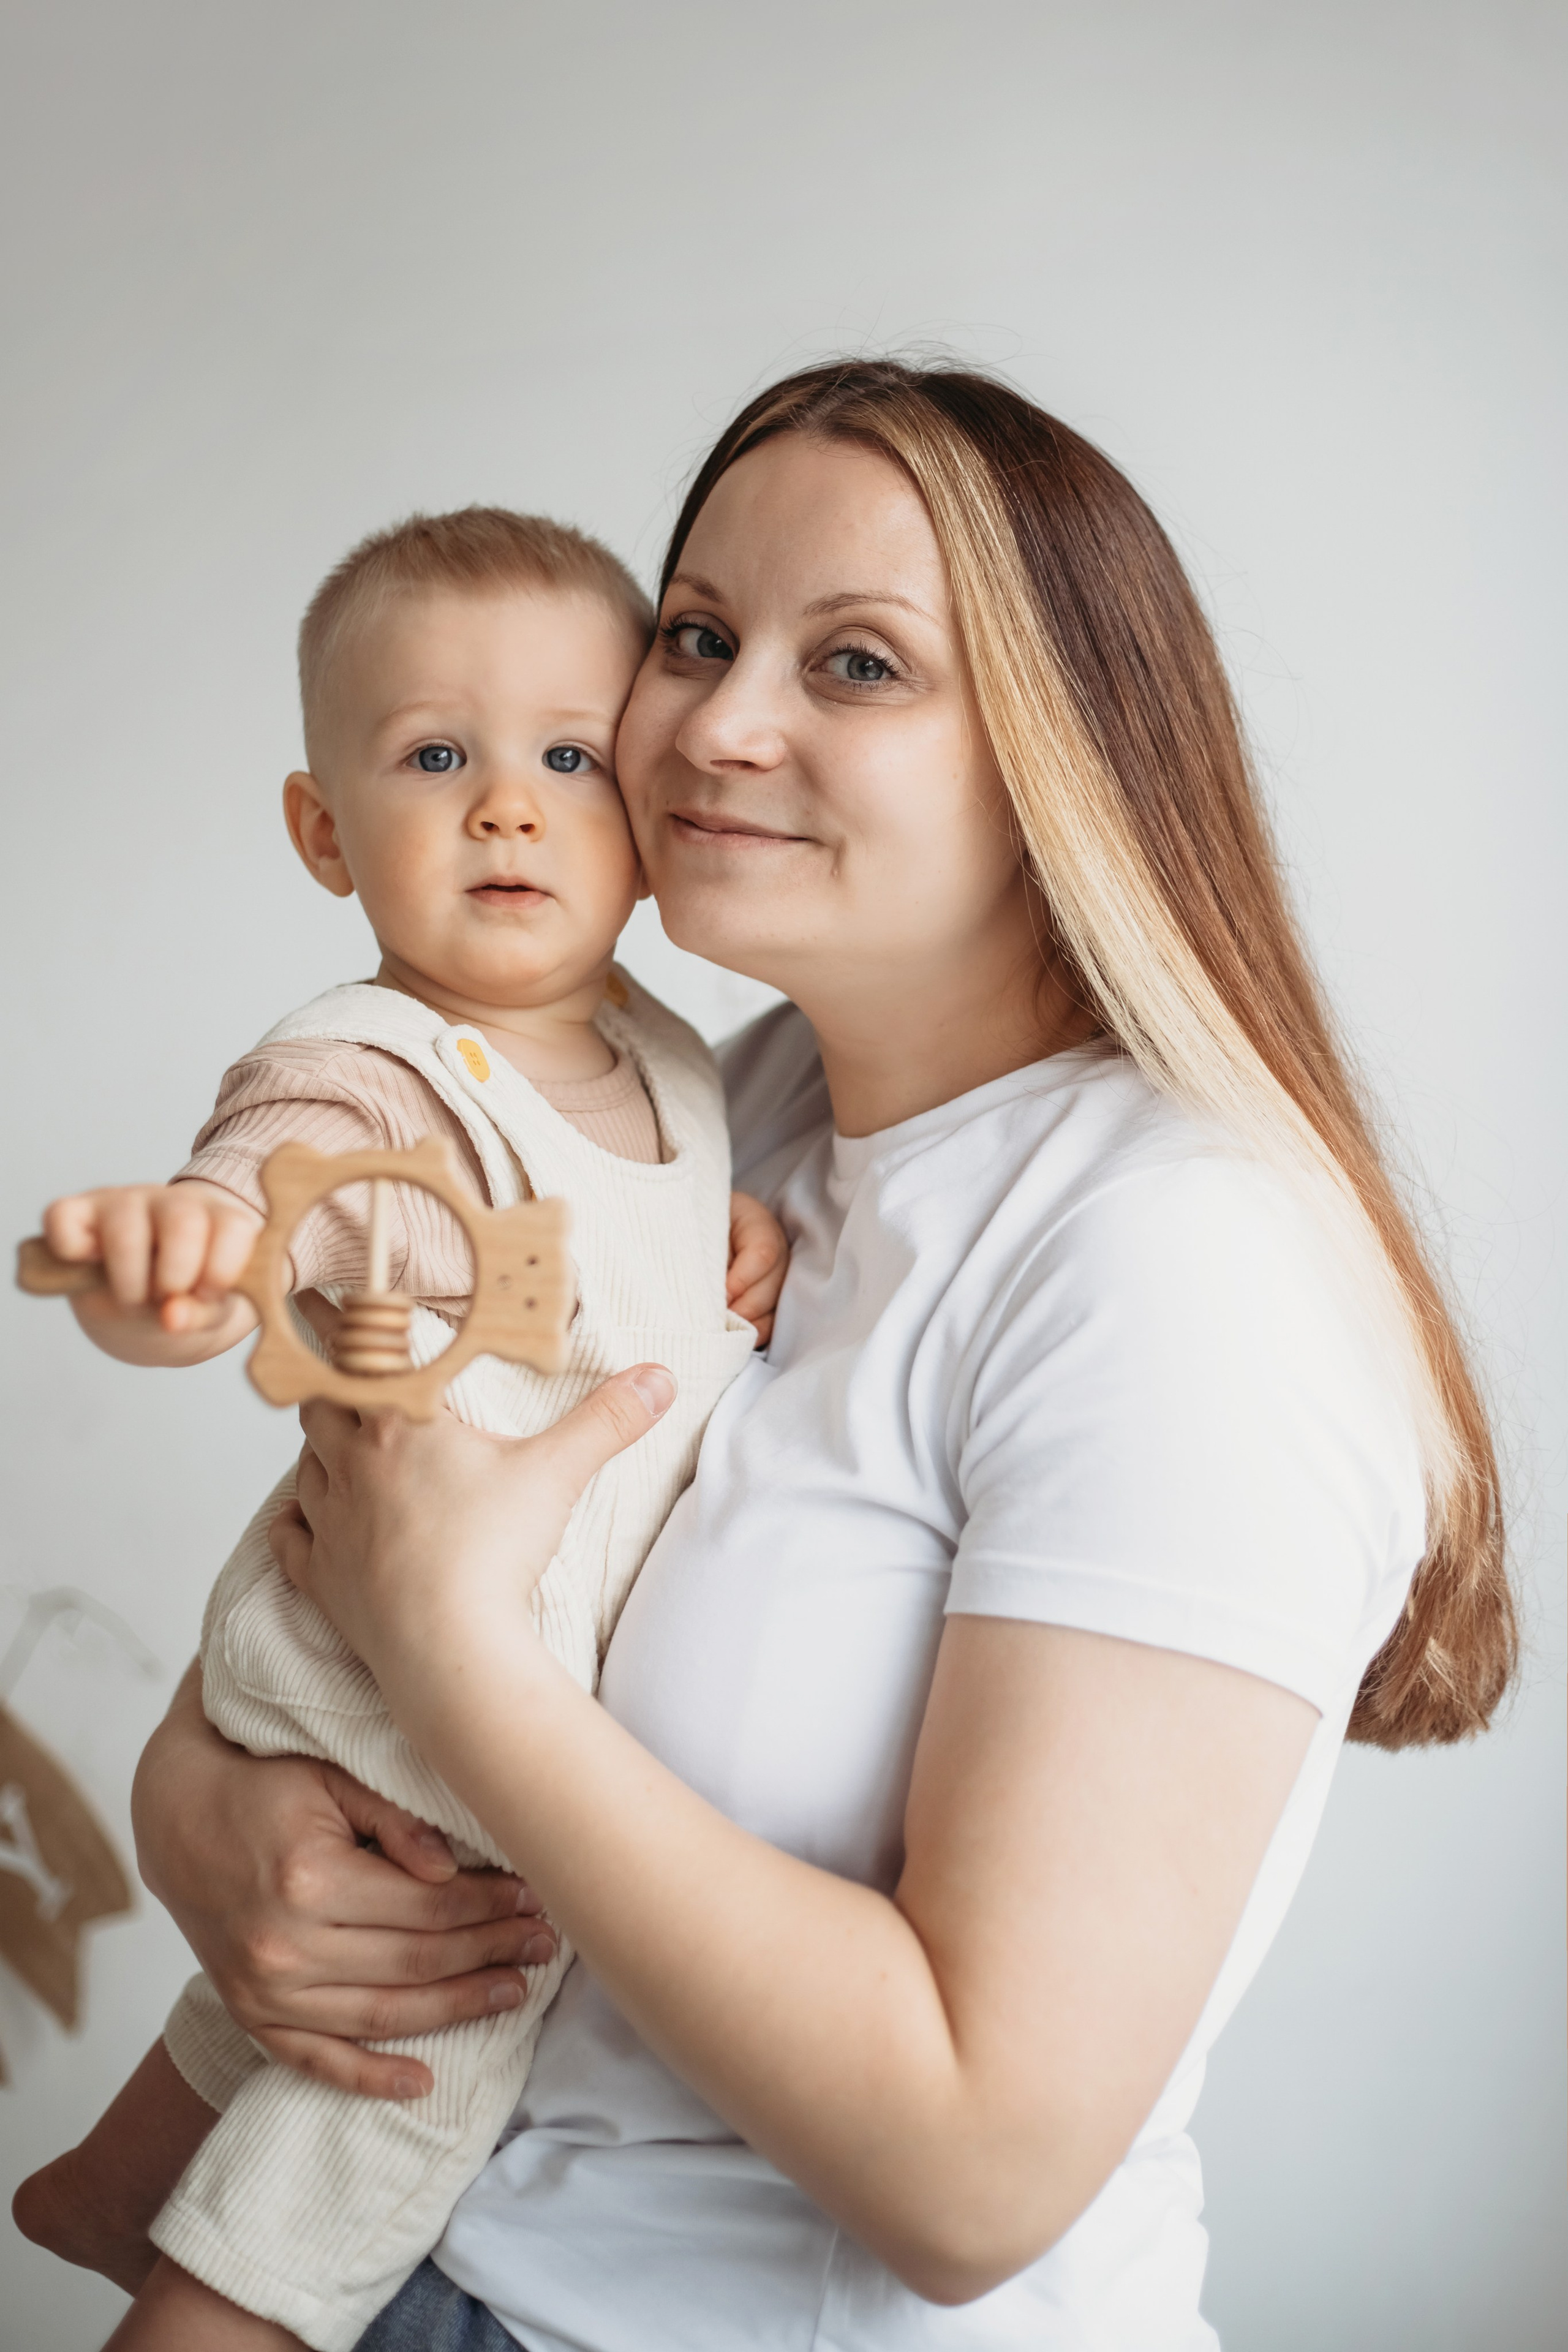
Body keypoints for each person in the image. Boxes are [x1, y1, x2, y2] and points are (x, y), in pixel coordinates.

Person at [105, 361, 1513, 2352]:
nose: (708, 723)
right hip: (412, 2268)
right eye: (694, 634)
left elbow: (974, 2169)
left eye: (856, 664)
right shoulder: (722, 1107)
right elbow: (359, 1566)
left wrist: (456, 1669)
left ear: (1065, 755)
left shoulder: (1188, 1269)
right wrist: (203, 1822)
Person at [12, 507, 786, 2351]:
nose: (507, 807)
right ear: (323, 829)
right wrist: (176, 1254)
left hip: (475, 1690)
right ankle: (206, 2307)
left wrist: (733, 1238)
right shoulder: (377, 1058)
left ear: (650, 818)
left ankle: (115, 2180)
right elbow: (270, 1181)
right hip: (389, 1700)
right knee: (390, 2092)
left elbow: (647, 1254)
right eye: (437, 757)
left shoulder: (680, 1062)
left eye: (568, 759)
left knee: (301, 2023)